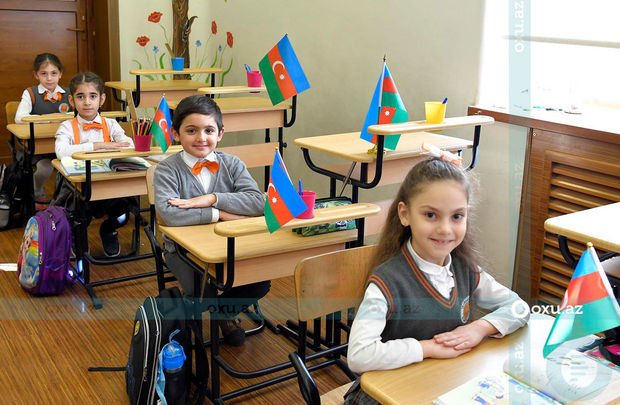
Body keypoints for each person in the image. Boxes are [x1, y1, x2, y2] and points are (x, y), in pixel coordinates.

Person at [344, 158, 529, 404]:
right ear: (405, 214)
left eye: (457, 216)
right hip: (384, 395)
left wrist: (479, 328)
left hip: (440, 386)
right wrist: (428, 348)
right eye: (431, 215)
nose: (445, 229)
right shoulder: (387, 282)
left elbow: (519, 307)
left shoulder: (465, 268)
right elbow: (359, 355)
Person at [153, 95, 271, 346]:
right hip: (181, 249)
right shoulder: (166, 169)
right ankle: (201, 311)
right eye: (191, 131)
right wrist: (220, 214)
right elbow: (170, 214)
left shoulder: (232, 164)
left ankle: (223, 314)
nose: (201, 138)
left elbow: (259, 203)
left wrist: (213, 198)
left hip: (230, 244)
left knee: (259, 282)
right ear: (176, 134)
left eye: (209, 130)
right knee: (203, 291)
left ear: (220, 134)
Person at [54, 71, 135, 257]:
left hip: (108, 183)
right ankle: (77, 236)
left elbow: (129, 144)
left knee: (124, 211)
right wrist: (99, 146)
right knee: (78, 216)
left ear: (102, 99)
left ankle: (109, 229)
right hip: (79, 187)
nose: (87, 102)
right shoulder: (67, 127)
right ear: (72, 100)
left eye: (92, 96)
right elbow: (61, 151)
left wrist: (117, 144)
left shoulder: (111, 124)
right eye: (80, 97)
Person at [15, 53, 71, 209]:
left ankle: (64, 200)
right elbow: (19, 118)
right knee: (45, 168)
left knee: (72, 168)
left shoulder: (69, 93)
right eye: (44, 74)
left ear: (60, 74)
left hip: (65, 144)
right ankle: (37, 189)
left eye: (54, 73)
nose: (49, 78)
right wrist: (48, 119)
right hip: (39, 147)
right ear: (36, 75)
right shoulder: (30, 93)